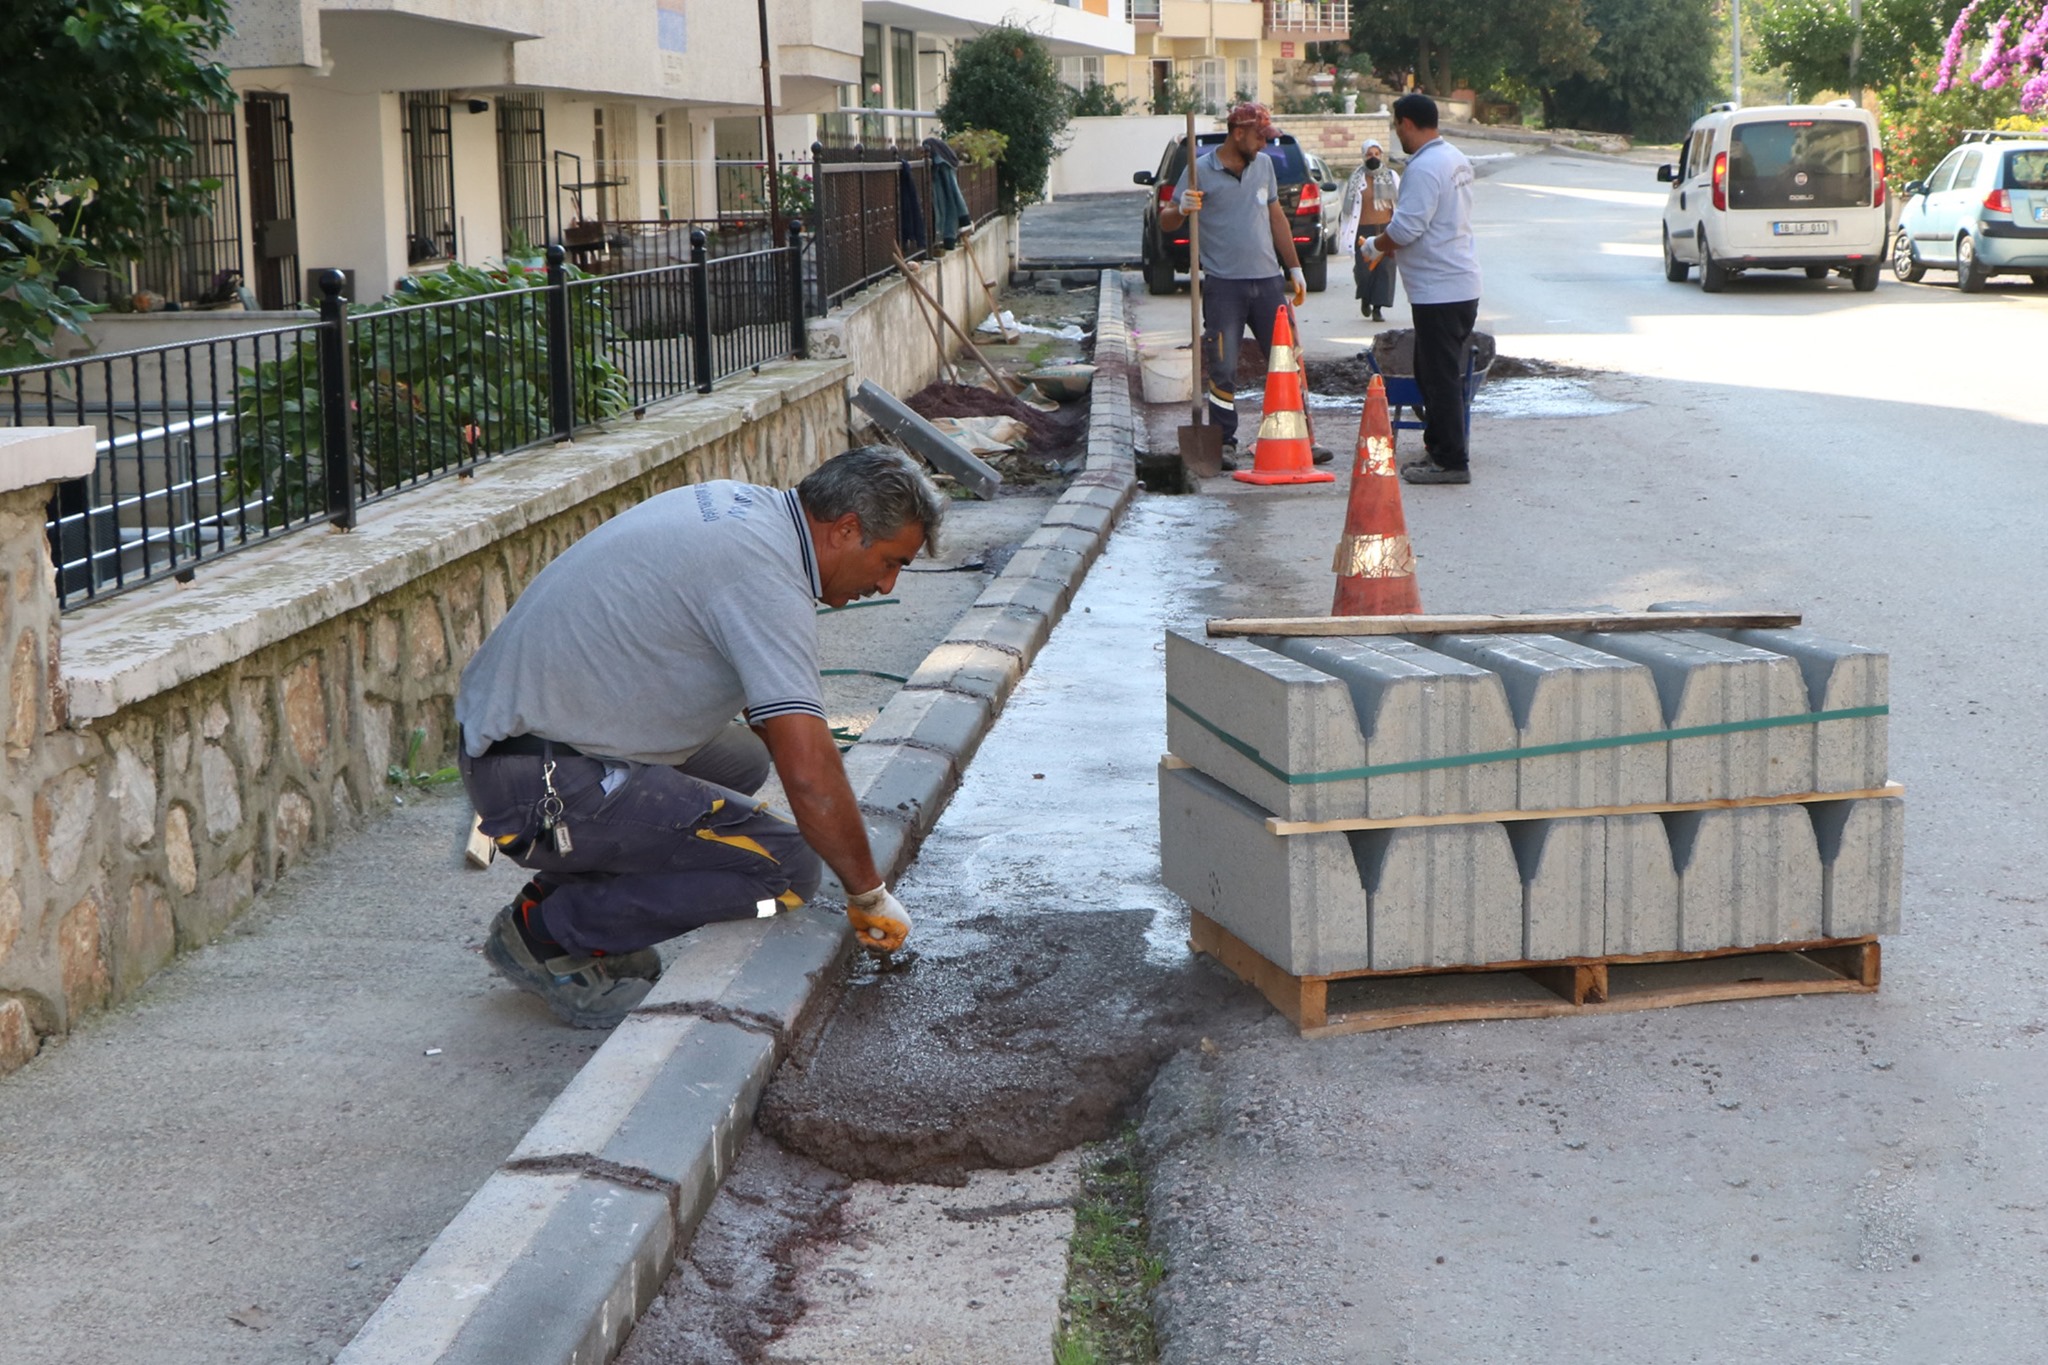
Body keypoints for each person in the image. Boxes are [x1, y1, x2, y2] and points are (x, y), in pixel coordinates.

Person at [454, 447, 943, 1028]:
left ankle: (559, 892)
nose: (886, 585)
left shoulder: (745, 511)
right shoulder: (764, 578)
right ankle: (550, 937)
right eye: (891, 562)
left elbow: (777, 726)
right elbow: (808, 771)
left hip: (516, 745)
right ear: (846, 529)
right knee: (784, 872)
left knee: (738, 762)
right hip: (537, 787)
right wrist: (867, 894)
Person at [1159, 101, 1333, 471]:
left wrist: (1294, 267)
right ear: (1238, 133)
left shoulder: (1264, 166)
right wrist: (1182, 209)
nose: (1264, 146)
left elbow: (1276, 217)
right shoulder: (1199, 172)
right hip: (1224, 286)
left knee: (1286, 362)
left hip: (1268, 283)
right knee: (1223, 366)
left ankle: (1298, 436)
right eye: (1259, 137)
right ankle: (1224, 441)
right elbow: (1166, 222)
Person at [1367, 93, 1482, 486]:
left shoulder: (1425, 167)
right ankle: (1440, 449)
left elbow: (1405, 228)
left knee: (1439, 377)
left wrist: (1374, 246)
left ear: (1408, 123)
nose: (1396, 132)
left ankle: (1451, 461)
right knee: (1435, 372)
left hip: (1441, 290)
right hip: (1458, 284)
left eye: (1397, 124)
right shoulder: (1453, 158)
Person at [1338, 139, 1400, 322]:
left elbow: (1401, 203)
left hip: (1386, 229)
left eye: (1376, 154)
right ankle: (1365, 297)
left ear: (1381, 155)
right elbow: (1347, 209)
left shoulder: (1392, 176)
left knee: (1385, 269)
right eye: (1369, 154)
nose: (1373, 157)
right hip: (1363, 231)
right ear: (1364, 156)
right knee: (1364, 270)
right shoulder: (1356, 179)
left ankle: (1378, 308)